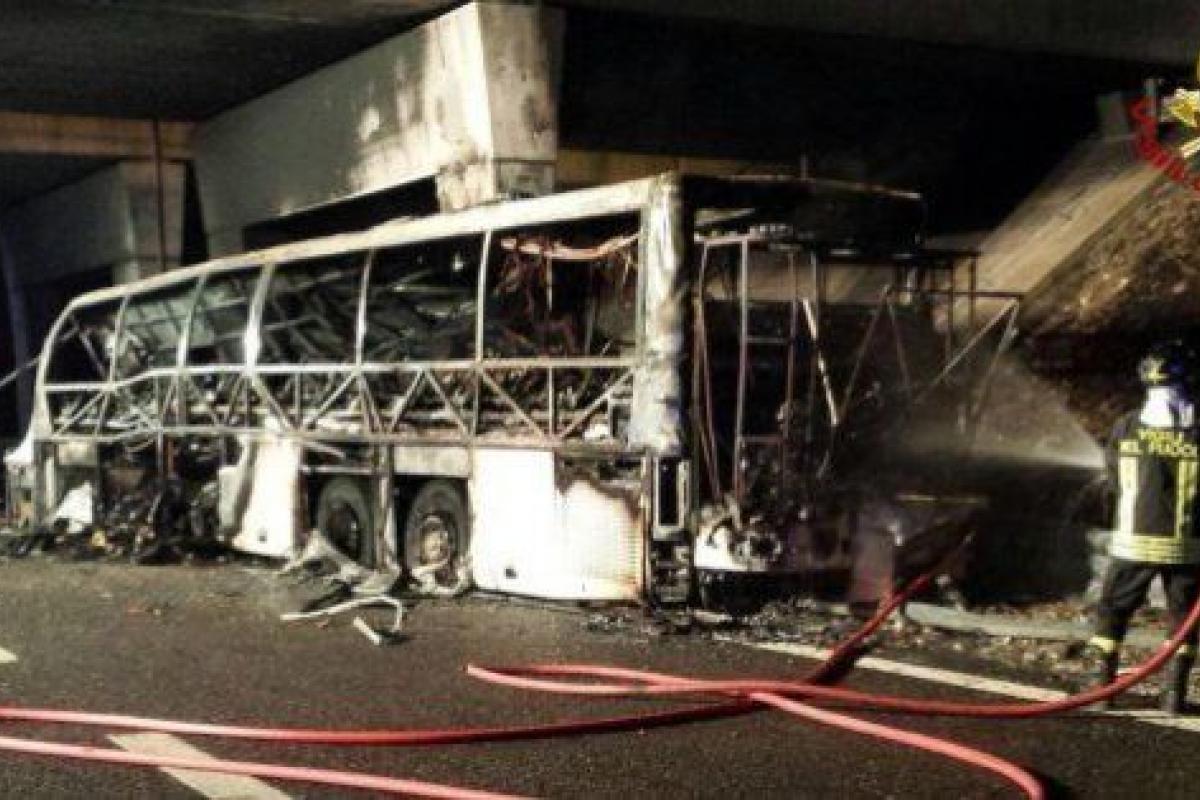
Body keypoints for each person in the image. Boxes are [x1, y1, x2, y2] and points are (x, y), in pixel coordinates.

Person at [1087, 340, 1200, 715]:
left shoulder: (1127, 426)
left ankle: (1101, 687)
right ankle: (1173, 694)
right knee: (1183, 619)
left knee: (1113, 609)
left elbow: (1114, 482)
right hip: (1186, 546)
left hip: (1132, 543)